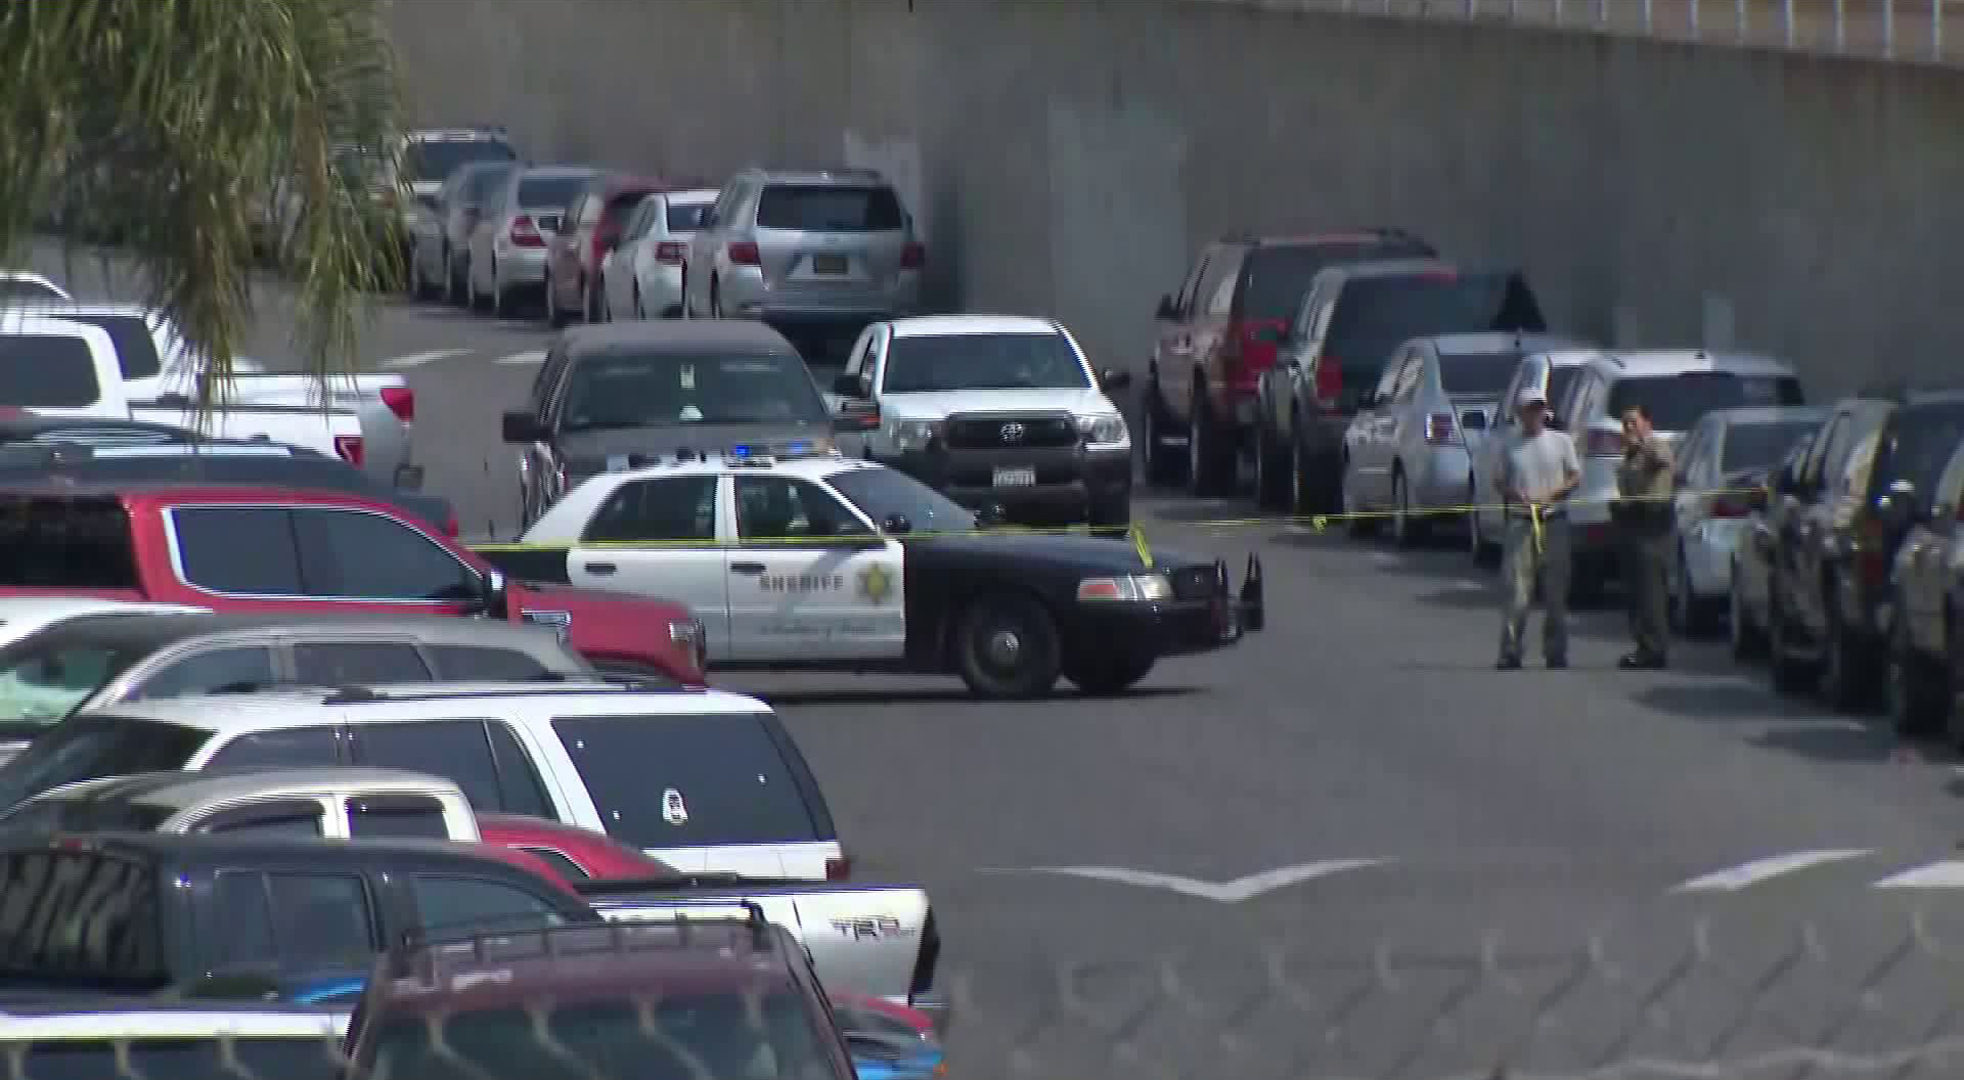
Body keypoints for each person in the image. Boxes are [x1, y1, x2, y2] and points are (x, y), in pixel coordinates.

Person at [1495, 388, 1581, 670]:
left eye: (1539, 408)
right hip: (1521, 522)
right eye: (1530, 409)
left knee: (1556, 592)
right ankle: (1510, 651)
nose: (1535, 414)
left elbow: (1575, 476)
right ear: (1520, 413)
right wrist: (1515, 494)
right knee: (1517, 592)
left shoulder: (1561, 441)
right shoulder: (1510, 444)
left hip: (1554, 521)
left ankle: (1556, 652)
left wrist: (1553, 494)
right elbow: (1499, 481)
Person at [1613, 402, 1675, 669]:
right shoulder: (1628, 455)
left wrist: (1642, 446)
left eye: (1633, 422)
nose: (1628, 427)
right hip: (1633, 523)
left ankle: (1654, 648)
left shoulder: (1656, 445)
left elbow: (1663, 461)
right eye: (1624, 423)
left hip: (1653, 524)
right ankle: (1643, 645)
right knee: (1636, 591)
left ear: (1647, 423)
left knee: (1651, 591)